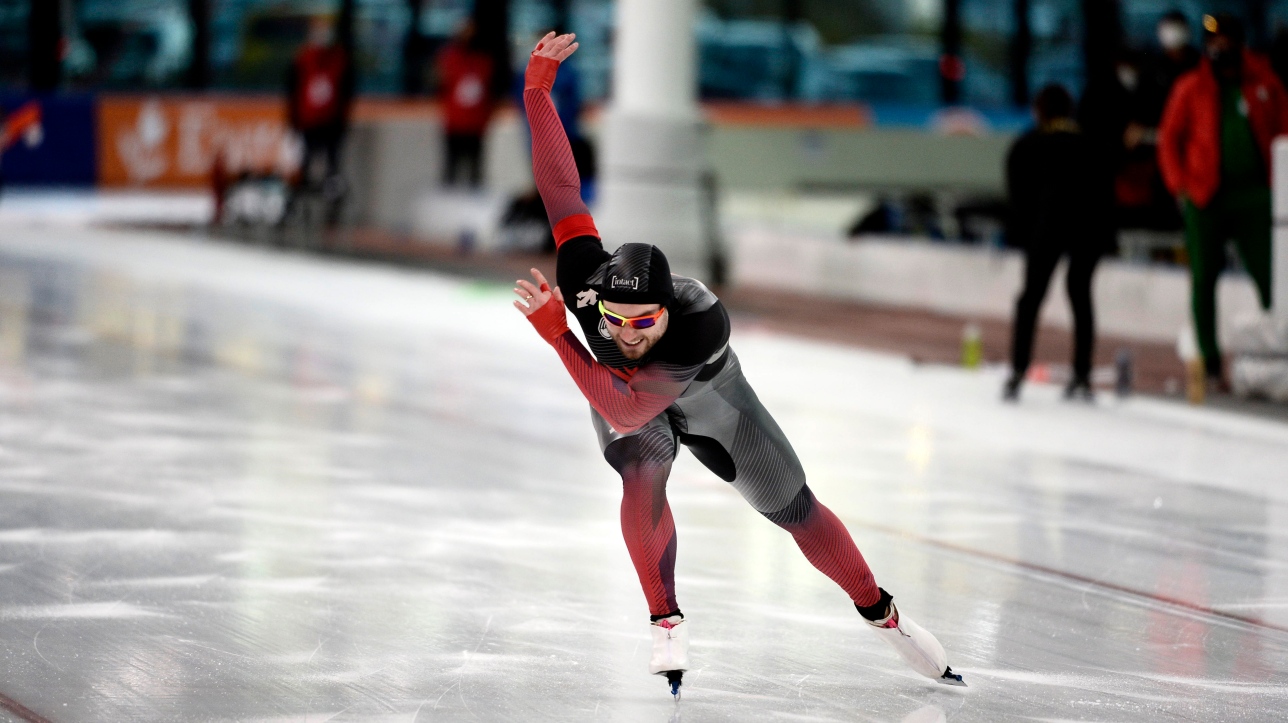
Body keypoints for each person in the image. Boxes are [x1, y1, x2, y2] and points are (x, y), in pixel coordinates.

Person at [511, 32, 965, 697]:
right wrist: (538, 93)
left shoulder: (699, 320)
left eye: (644, 322)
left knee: (795, 508)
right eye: (614, 320)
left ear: (668, 310)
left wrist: (561, 339)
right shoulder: (584, 280)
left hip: (710, 396)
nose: (628, 333)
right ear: (595, 300)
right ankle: (665, 617)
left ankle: (882, 611)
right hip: (621, 394)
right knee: (641, 469)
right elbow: (560, 187)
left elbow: (632, 403)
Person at [1158, 14, 1288, 388]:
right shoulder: (1191, 87)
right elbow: (1170, 139)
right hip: (1205, 197)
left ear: (1238, 43)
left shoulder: (1264, 82)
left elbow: (1283, 132)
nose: (1217, 49)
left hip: (1256, 197)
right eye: (1211, 43)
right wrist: (1178, 186)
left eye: (1224, 42)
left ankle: (1275, 355)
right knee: (1204, 280)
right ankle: (1211, 364)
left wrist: (1278, 188)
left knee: (1271, 279)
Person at [1004, 84, 1114, 402]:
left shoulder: (1027, 145)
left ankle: (1017, 372)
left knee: (1031, 298)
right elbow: (1106, 195)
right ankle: (1082, 374)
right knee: (1080, 294)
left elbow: (1018, 197)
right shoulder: (1092, 145)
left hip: (1047, 230)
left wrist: (1022, 236)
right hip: (1089, 230)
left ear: (1039, 111)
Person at [285, 16, 354, 225]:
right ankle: (299, 208)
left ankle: (332, 209)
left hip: (331, 124)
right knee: (305, 166)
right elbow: (292, 91)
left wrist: (342, 121)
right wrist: (294, 120)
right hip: (309, 122)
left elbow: (346, 94)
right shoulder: (302, 59)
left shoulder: (340, 61)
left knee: (333, 169)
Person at [436, 20, 496, 188]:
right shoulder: (449, 58)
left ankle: (473, 207)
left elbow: (489, 92)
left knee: (475, 169)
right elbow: (441, 83)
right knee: (451, 167)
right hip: (454, 122)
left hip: (476, 124)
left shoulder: (484, 61)